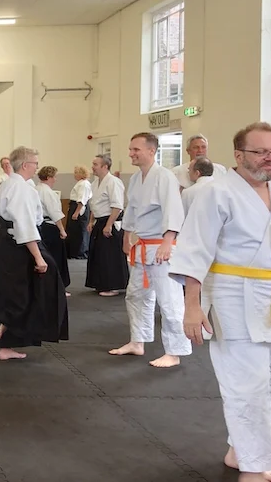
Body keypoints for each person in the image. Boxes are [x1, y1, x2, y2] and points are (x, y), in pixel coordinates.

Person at [172, 123, 271, 482]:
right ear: (239, 155)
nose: (270, 158)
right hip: (233, 295)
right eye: (261, 152)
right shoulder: (215, 192)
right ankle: (253, 467)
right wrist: (192, 306)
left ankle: (241, 449)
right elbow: (195, 249)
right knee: (246, 386)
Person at [110, 132, 190, 368]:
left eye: (135, 149)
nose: (131, 153)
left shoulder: (164, 176)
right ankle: (138, 341)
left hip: (161, 245)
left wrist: (168, 240)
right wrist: (126, 235)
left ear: (151, 151)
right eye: (130, 149)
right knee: (136, 295)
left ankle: (174, 352)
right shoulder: (136, 178)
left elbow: (173, 209)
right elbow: (131, 210)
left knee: (169, 300)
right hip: (142, 245)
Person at [0, 148, 69, 361]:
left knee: (10, 289)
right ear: (25, 165)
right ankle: (9, 326)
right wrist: (38, 256)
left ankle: (8, 338)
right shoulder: (20, 188)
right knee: (24, 290)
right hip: (18, 243)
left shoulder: (8, 184)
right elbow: (24, 224)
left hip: (7, 240)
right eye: (35, 163)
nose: (36, 167)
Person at [85, 154, 129, 297]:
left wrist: (109, 225)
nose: (93, 167)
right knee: (98, 254)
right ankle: (100, 283)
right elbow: (94, 205)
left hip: (111, 221)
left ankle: (113, 286)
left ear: (105, 166)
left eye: (95, 164)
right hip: (99, 220)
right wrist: (91, 221)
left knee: (110, 255)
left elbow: (117, 206)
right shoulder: (94, 183)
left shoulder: (113, 182)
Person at [35, 166, 71, 294]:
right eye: (54, 177)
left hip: (39, 227)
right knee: (55, 257)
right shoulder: (48, 192)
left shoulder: (36, 189)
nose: (55, 179)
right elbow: (54, 213)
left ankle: (45, 287)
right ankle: (57, 288)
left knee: (44, 256)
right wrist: (62, 230)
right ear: (49, 177)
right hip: (50, 228)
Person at [66, 165, 92, 259]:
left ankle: (80, 252)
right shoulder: (80, 183)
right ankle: (73, 251)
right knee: (73, 230)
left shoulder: (84, 184)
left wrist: (76, 212)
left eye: (76, 173)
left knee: (80, 230)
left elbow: (82, 199)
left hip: (79, 208)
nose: (75, 175)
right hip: (75, 206)